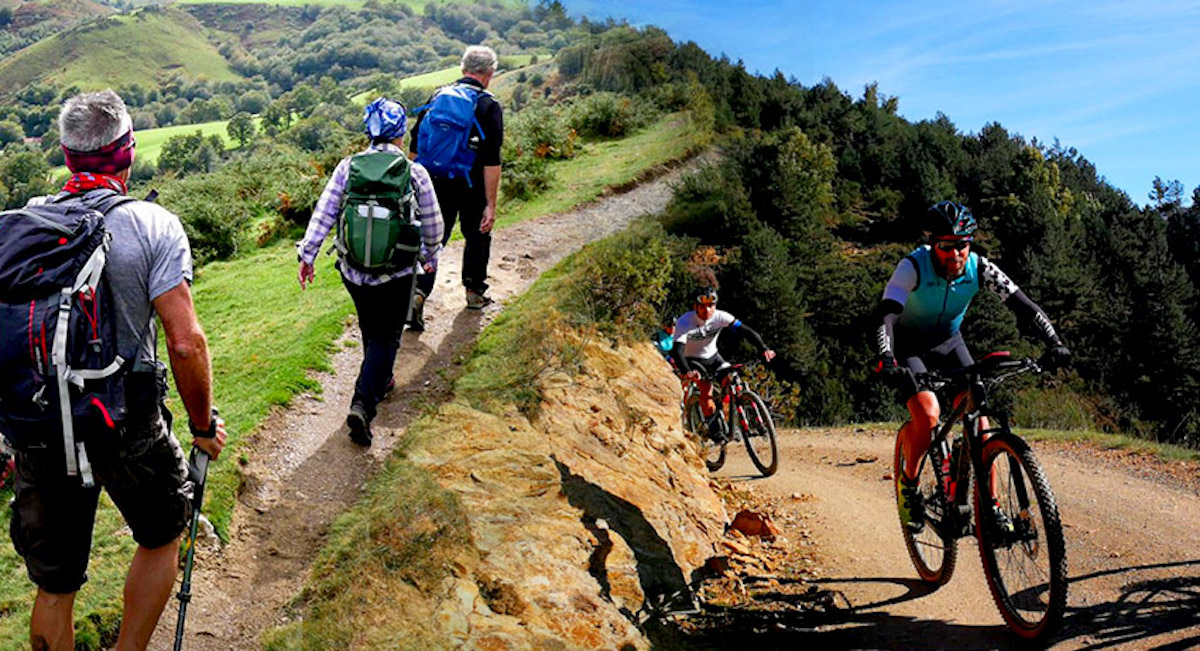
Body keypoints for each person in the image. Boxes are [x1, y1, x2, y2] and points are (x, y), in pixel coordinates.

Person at [5, 89, 227, 650]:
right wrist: (202, 426)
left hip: (40, 424)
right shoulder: (153, 225)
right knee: (160, 537)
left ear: (65, 153)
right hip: (125, 423)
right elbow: (185, 344)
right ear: (127, 153)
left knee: (55, 585)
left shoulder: (22, 226)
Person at [873, 201, 1071, 528]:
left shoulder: (980, 268)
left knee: (978, 413)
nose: (955, 254)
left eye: (961, 245)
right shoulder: (913, 267)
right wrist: (887, 357)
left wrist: (1055, 342)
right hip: (909, 346)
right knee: (928, 413)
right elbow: (887, 315)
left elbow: (1024, 306)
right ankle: (908, 484)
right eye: (946, 247)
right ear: (933, 243)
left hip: (950, 343)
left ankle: (988, 506)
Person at [297, 98, 444, 446]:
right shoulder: (414, 171)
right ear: (400, 133)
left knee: (370, 326)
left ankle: (380, 377)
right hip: (397, 273)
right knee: (388, 336)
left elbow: (324, 213)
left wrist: (308, 255)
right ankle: (363, 403)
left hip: (354, 270)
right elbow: (434, 227)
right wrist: (428, 255)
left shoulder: (348, 167)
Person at [407, 44, 505, 328]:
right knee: (478, 235)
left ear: (463, 70)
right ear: (489, 73)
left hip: (435, 183)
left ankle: (418, 293)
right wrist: (490, 204)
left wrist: (416, 187)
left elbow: (416, 145)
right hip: (472, 184)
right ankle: (474, 293)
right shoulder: (489, 106)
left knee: (433, 242)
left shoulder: (438, 96)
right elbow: (491, 160)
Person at [670, 287, 776, 441]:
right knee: (705, 389)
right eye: (702, 306)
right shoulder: (685, 321)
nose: (707, 310)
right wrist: (686, 370)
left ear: (715, 306)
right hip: (692, 360)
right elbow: (677, 351)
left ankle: (734, 420)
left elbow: (745, 331)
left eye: (710, 306)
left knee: (732, 380)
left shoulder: (720, 317)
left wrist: (764, 348)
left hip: (713, 357)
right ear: (695, 306)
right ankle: (714, 429)